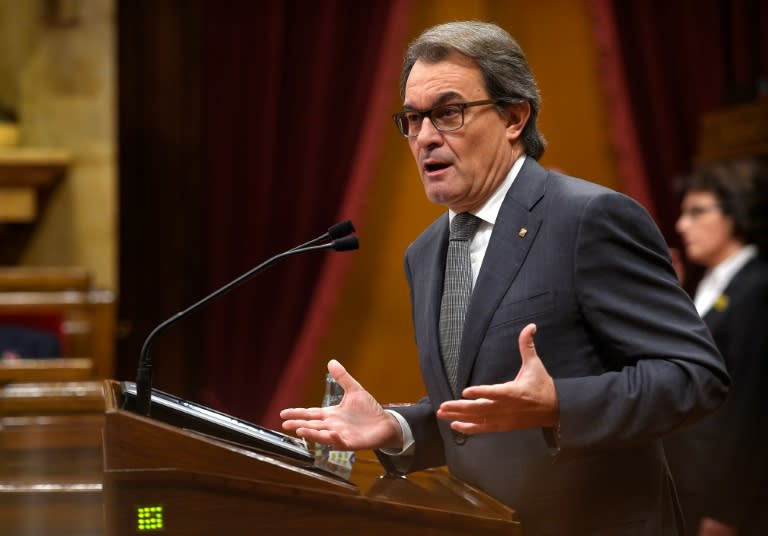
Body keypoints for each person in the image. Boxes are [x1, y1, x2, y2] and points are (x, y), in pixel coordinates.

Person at [281, 21, 729, 535]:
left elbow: (694, 377)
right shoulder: (424, 253)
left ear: (515, 116)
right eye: (411, 119)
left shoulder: (588, 219)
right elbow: (485, 414)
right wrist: (398, 427)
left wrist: (561, 404)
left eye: (448, 113)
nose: (425, 137)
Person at [665, 158, 768, 536]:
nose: (681, 225)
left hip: (735, 499)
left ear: (735, 212)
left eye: (696, 212)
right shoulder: (712, 282)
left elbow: (751, 412)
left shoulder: (756, 286)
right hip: (698, 481)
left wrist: (726, 511)